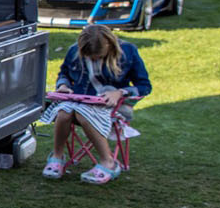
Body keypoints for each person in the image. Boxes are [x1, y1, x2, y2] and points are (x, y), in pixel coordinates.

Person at [38, 24, 152, 184]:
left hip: (113, 107)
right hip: (78, 102)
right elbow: (64, 73)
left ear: (110, 46)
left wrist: (120, 92)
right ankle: (57, 156)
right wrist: (63, 86)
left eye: (98, 56)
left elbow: (144, 86)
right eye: (89, 56)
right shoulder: (74, 51)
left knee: (82, 114)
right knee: (64, 112)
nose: (93, 59)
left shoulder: (128, 52)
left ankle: (108, 162)